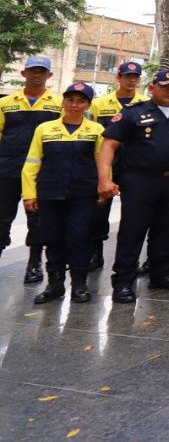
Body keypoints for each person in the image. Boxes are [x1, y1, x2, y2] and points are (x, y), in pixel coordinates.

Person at [98, 69, 169, 304]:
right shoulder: (133, 113)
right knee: (132, 232)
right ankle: (124, 282)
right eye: (165, 86)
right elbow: (109, 146)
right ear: (152, 87)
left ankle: (161, 274)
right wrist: (105, 179)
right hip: (140, 181)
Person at [22, 82, 104, 303]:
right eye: (70, 100)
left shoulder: (96, 131)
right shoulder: (45, 129)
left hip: (83, 195)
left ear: (88, 105)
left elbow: (102, 163)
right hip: (50, 194)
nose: (74, 105)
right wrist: (29, 194)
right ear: (63, 102)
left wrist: (103, 187)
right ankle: (55, 285)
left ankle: (79, 285)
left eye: (81, 101)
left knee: (79, 237)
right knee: (53, 238)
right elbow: (31, 163)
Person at [0, 55, 61, 284]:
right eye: (33, 71)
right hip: (7, 170)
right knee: (1, 217)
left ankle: (34, 263)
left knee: (37, 220)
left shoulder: (57, 104)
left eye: (42, 71)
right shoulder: (5, 103)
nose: (37, 75)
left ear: (49, 75)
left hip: (40, 173)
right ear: (23, 73)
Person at [86, 61, 148, 272]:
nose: (131, 80)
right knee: (99, 211)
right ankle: (95, 253)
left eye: (135, 77)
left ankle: (132, 259)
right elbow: (92, 133)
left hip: (134, 165)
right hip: (107, 166)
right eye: (127, 76)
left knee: (135, 215)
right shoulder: (99, 104)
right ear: (118, 78)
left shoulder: (147, 104)